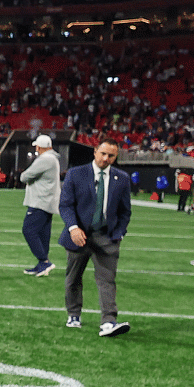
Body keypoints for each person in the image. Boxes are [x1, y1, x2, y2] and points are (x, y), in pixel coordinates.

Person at [59, 139, 132, 337]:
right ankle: (73, 314)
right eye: (103, 154)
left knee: (107, 280)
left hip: (107, 237)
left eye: (111, 156)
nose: (106, 159)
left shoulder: (122, 178)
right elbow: (65, 205)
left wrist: (120, 233)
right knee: (73, 278)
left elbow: (126, 211)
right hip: (79, 235)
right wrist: (73, 228)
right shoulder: (76, 173)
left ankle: (108, 321)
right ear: (95, 152)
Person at [19, 135, 61, 276]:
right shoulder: (52, 158)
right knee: (43, 233)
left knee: (28, 229)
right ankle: (42, 264)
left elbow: (24, 176)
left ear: (39, 147)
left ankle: (44, 261)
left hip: (40, 201)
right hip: (47, 201)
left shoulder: (45, 159)